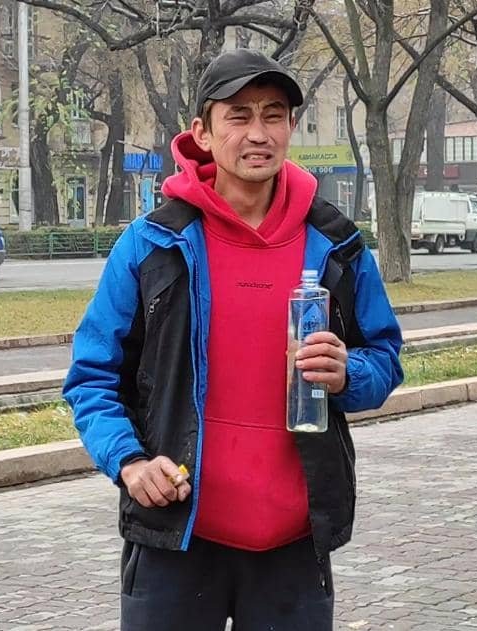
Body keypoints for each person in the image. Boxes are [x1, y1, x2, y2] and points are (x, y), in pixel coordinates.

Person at [63, 49, 404, 630]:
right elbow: (92, 377)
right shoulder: (152, 245)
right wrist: (130, 462)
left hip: (293, 545)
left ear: (291, 127)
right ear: (202, 131)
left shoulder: (336, 245)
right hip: (176, 535)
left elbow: (385, 358)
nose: (258, 133)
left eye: (274, 115)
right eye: (239, 116)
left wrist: (350, 373)